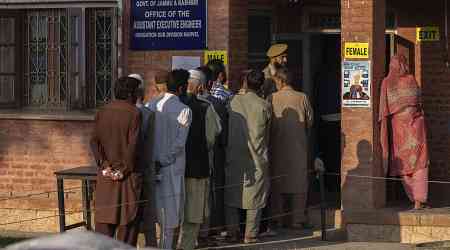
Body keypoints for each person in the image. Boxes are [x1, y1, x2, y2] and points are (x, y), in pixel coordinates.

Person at [90, 76, 142, 245]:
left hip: (106, 177)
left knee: (103, 230)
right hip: (126, 179)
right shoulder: (134, 113)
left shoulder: (102, 111)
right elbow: (133, 147)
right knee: (126, 230)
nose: (138, 96)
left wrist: (104, 166)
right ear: (130, 94)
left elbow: (94, 141)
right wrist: (123, 170)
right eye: (137, 92)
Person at [146, 69, 192, 249]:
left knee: (157, 214)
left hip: (154, 166)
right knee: (171, 217)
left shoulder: (151, 105)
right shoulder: (184, 110)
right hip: (171, 168)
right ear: (181, 88)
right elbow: (179, 144)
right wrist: (163, 160)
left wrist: (155, 161)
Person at [225, 70, 271, 244]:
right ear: (261, 86)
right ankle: (250, 234)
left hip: (233, 154)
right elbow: (268, 134)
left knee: (232, 194)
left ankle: (231, 231)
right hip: (257, 156)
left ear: (245, 83)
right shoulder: (265, 105)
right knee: (255, 198)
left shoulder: (233, 102)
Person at [379, 55, 429, 210]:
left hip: (399, 129)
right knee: (420, 163)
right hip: (417, 128)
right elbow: (419, 102)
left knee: (404, 164)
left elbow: (384, 109)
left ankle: (414, 199)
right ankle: (419, 200)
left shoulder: (387, 82)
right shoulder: (411, 79)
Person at [179, 69, 222, 250]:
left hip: (174, 169)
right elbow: (212, 137)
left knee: (174, 213)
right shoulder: (206, 107)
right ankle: (187, 246)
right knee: (193, 214)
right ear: (201, 87)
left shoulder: (174, 103)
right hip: (197, 168)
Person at [269, 67, 314, 228]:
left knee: (277, 185)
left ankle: (278, 218)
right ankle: (297, 219)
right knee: (299, 184)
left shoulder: (271, 98)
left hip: (277, 148)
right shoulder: (302, 97)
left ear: (280, 81)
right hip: (298, 148)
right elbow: (310, 121)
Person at [129, 74, 158, 247]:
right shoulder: (148, 113)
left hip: (125, 169)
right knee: (147, 214)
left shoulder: (120, 112)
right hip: (145, 168)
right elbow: (151, 144)